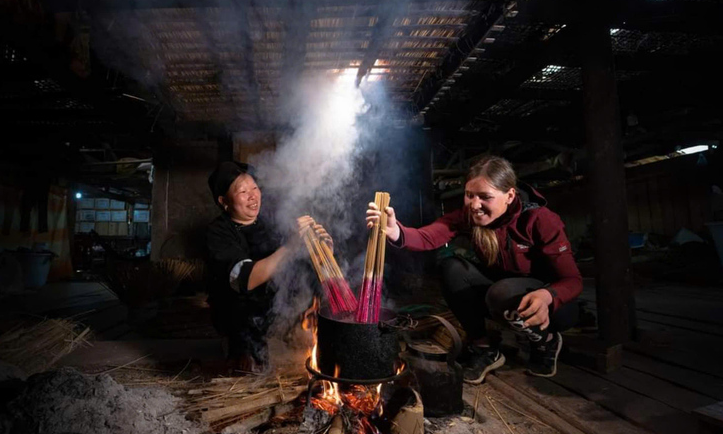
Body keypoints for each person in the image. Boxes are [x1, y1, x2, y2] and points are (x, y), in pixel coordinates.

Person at [366, 155, 582, 382]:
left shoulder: (540, 219)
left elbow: (573, 281)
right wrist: (395, 231)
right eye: (470, 195)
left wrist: (548, 295)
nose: (474, 205)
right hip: (498, 293)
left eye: (485, 197)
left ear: (509, 195)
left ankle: (546, 341)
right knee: (452, 268)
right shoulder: (468, 215)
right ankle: (484, 347)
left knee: (502, 292)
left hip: (551, 304)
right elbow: (428, 236)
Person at [206, 161, 330, 372]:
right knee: (253, 370)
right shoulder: (218, 233)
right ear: (224, 201)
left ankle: (293, 334)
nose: (253, 196)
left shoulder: (270, 221)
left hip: (277, 310)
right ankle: (240, 351)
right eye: (242, 191)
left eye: (254, 188)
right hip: (240, 317)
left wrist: (322, 249)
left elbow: (301, 264)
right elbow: (246, 279)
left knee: (306, 356)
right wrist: (291, 245)